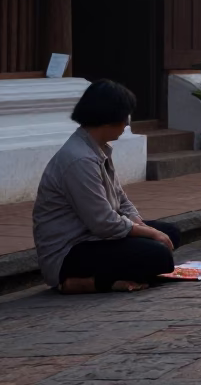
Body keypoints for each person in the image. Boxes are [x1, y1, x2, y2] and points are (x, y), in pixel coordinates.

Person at [34, 80, 180, 294]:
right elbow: (103, 222)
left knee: (171, 233)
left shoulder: (97, 149)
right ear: (108, 119)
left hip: (95, 238)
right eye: (124, 118)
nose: (126, 125)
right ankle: (85, 282)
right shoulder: (79, 160)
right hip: (70, 250)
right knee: (158, 255)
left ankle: (123, 272)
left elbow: (121, 199)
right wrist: (148, 234)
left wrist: (142, 226)